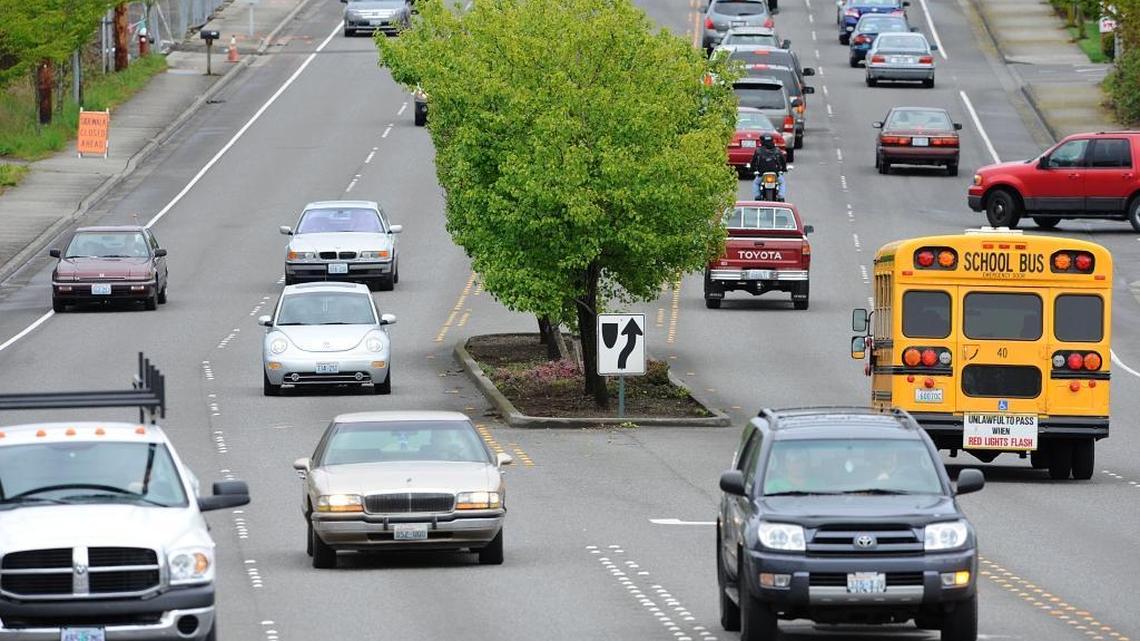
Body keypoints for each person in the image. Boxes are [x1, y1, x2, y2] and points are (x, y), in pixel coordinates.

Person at [749, 134, 787, 200]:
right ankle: (781, 196)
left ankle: (757, 196)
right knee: (782, 182)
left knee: (756, 183)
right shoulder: (777, 150)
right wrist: (784, 169)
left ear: (761, 141)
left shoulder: (758, 150)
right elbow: (783, 161)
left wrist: (752, 169)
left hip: (762, 174)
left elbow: (753, 162)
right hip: (775, 174)